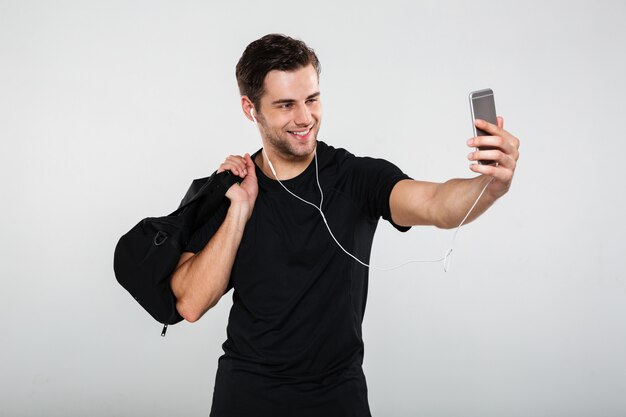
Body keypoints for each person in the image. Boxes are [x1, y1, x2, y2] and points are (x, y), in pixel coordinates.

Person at [169, 34, 520, 416]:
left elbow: (436, 204)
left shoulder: (356, 178)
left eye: (312, 99)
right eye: (286, 105)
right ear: (250, 109)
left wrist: (490, 186)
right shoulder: (228, 187)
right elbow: (190, 303)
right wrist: (238, 209)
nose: (304, 118)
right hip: (247, 395)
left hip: (337, 396)